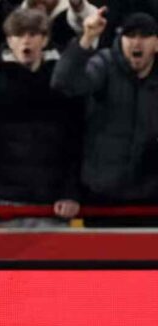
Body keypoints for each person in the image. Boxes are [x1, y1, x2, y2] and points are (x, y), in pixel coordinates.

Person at [0, 8, 84, 227]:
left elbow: (75, 137)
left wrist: (70, 191)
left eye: (32, 35)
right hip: (0, 196)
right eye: (19, 35)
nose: (25, 41)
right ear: (9, 41)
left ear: (45, 39)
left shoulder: (62, 80)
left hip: (50, 200)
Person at [52, 9, 158, 209]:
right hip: (102, 193)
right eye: (130, 36)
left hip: (150, 195)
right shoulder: (104, 64)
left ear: (156, 43)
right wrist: (86, 38)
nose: (137, 42)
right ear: (121, 38)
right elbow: (64, 83)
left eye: (145, 36)